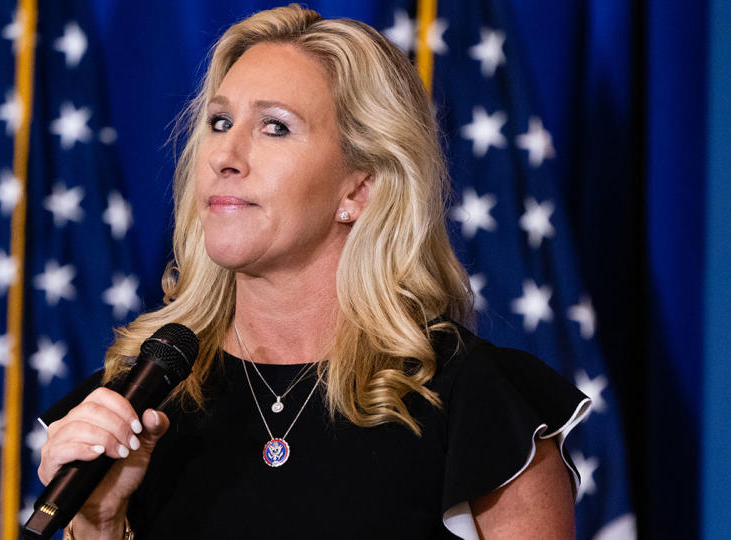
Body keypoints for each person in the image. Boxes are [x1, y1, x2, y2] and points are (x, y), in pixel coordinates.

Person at [37, 5, 590, 539]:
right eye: (219, 121)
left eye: (275, 127)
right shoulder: (139, 407)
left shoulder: (477, 406)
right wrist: (100, 527)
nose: (224, 155)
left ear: (360, 187)